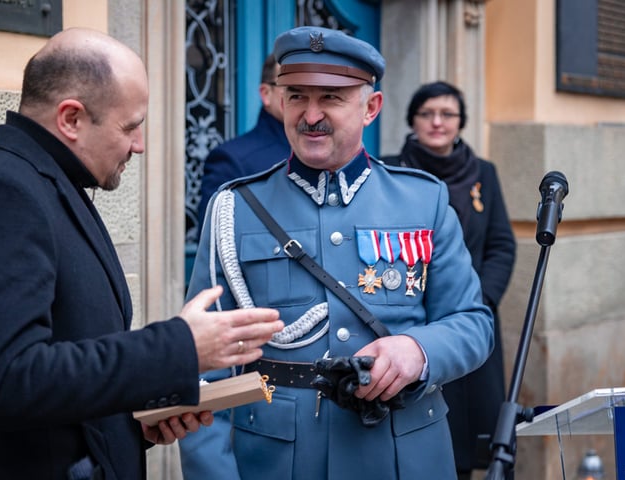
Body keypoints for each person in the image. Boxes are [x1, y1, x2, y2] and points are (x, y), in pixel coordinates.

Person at [0, 27, 284, 480]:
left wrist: (139, 415)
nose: (140, 145)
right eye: (130, 126)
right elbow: (10, 381)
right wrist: (179, 347)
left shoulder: (49, 184)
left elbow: (68, 369)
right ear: (71, 119)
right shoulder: (0, 195)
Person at [179, 26, 494, 480]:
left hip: (403, 453)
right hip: (277, 459)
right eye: (297, 96)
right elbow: (205, 368)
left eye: (331, 98)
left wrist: (419, 350)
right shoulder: (235, 208)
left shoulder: (423, 200)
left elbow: (473, 323)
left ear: (371, 108)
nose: (310, 115)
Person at [382, 81, 516, 479]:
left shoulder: (484, 175)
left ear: (461, 122)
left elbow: (502, 246)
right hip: (414, 327)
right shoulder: (390, 172)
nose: (437, 122)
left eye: (447, 114)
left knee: (479, 434)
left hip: (469, 322)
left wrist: (478, 300)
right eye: (427, 113)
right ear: (412, 120)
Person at [196, 53, 291, 232]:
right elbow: (214, 243)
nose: (301, 98)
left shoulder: (331, 155)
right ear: (266, 94)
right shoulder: (232, 160)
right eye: (291, 88)